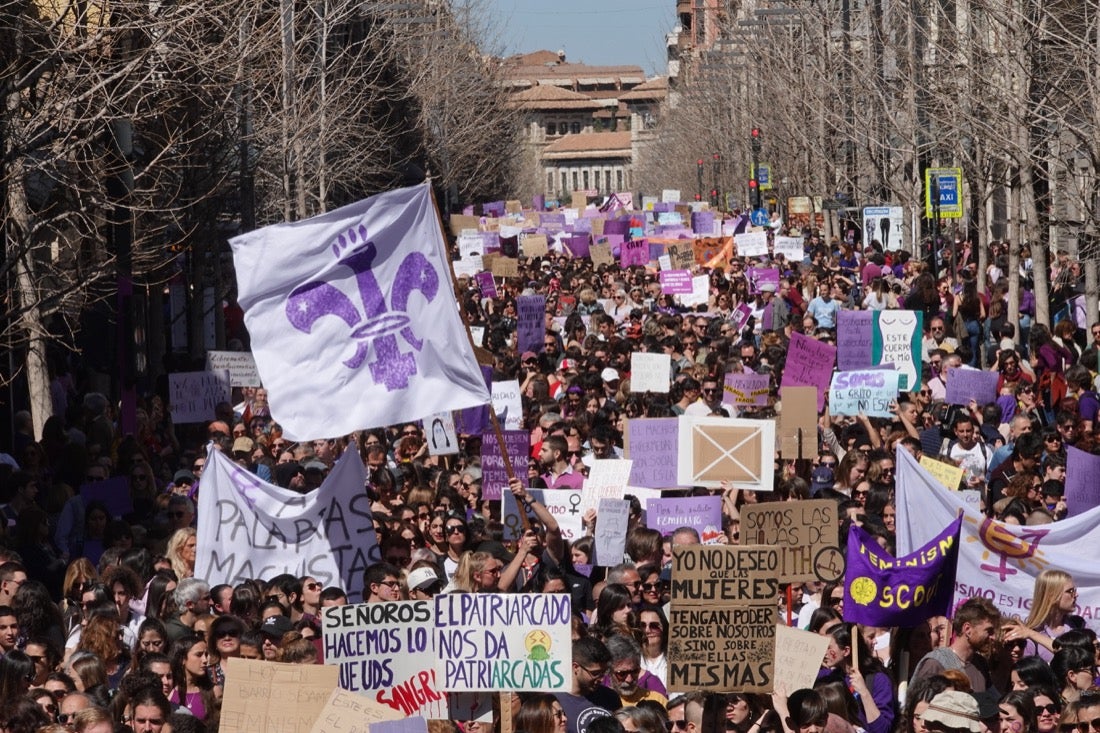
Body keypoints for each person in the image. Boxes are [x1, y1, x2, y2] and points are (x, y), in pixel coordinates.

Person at [911, 597, 1001, 692]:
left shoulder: (981, 665)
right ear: (967, 629)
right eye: (989, 631)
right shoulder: (935, 664)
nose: (993, 637)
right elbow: (920, 705)